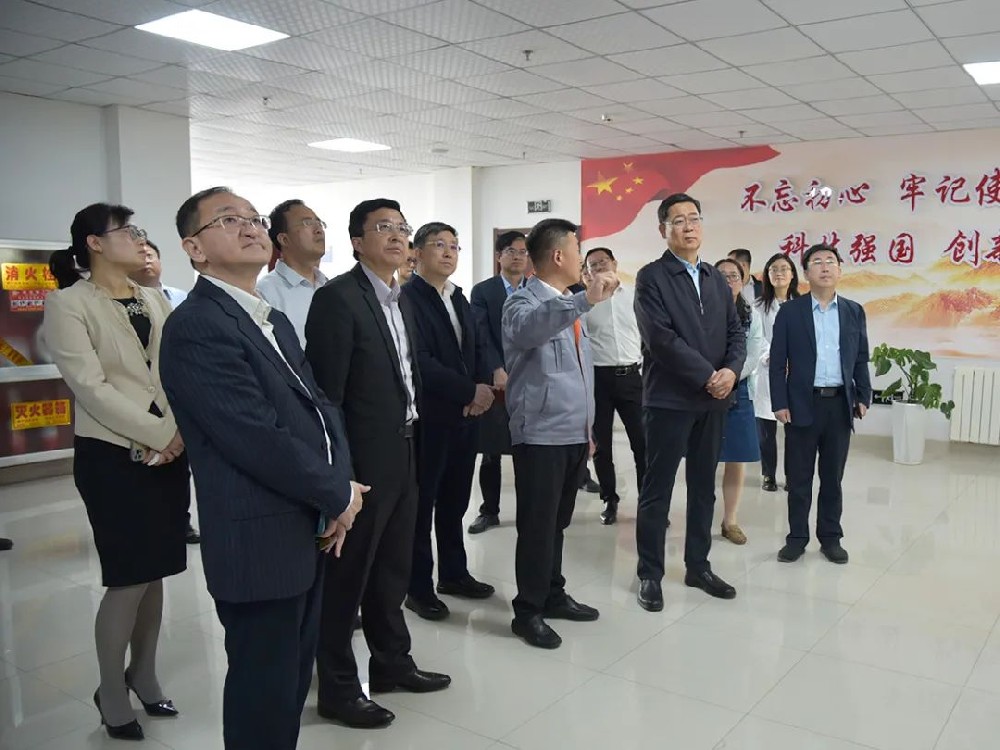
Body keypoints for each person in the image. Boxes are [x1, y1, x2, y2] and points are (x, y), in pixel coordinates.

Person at [158, 187, 363, 750]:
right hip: (259, 538)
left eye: (253, 218)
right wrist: (337, 493)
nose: (251, 227)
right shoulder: (198, 324)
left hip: (304, 524)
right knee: (264, 690)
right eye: (229, 220)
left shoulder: (267, 319)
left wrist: (340, 488)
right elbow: (255, 438)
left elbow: (321, 408)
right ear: (194, 248)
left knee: (291, 681)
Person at [43, 203, 189, 741]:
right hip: (112, 457)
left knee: (155, 574)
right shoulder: (68, 303)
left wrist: (175, 434)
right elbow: (91, 387)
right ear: (95, 243)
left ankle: (143, 674)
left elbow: (175, 370)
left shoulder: (153, 298)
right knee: (128, 578)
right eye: (127, 231)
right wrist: (160, 434)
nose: (139, 239)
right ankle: (110, 689)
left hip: (169, 450)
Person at [306, 199, 450, 730]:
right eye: (382, 228)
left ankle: (392, 663)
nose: (396, 236)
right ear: (356, 242)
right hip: (363, 462)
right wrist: (340, 473)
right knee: (347, 576)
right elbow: (327, 397)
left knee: (393, 567)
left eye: (401, 227)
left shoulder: (400, 297)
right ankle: (338, 687)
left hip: (405, 448)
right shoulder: (338, 299)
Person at [503, 218, 618, 649]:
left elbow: (581, 373)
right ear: (558, 256)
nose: (581, 259)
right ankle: (527, 611)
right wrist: (584, 299)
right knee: (537, 526)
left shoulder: (570, 303)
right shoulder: (522, 302)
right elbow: (531, 330)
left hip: (572, 433)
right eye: (577, 250)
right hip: (540, 435)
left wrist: (588, 430)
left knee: (557, 523)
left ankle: (552, 593)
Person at [634, 193, 746, 613]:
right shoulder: (652, 277)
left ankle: (698, 566)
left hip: (713, 403)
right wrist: (707, 376)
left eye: (694, 218)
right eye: (678, 220)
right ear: (663, 229)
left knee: (703, 488)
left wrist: (730, 371)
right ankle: (650, 573)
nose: (688, 226)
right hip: (669, 400)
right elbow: (660, 338)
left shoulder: (716, 279)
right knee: (657, 489)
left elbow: (735, 332)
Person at [401, 222, 495, 621]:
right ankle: (418, 588)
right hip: (431, 418)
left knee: (455, 501)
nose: (448, 252)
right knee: (422, 506)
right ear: (417, 253)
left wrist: (481, 388)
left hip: (466, 417)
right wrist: (468, 391)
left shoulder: (458, 296)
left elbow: (478, 347)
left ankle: (454, 574)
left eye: (454, 246)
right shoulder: (407, 299)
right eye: (439, 245)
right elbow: (419, 360)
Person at [770, 243, 872, 565]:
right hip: (802, 404)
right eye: (817, 262)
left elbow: (861, 357)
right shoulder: (791, 312)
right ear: (806, 272)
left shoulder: (853, 311)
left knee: (832, 479)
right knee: (799, 479)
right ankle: (797, 538)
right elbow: (777, 362)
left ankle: (830, 538)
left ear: (840, 270)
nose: (825, 266)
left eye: (831, 261)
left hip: (839, 406)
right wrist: (779, 402)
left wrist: (863, 395)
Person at [129, 240, 201, 546]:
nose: (147, 260)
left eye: (151, 255)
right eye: (141, 255)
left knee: (182, 469)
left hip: (183, 397)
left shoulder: (183, 298)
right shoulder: (124, 303)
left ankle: (181, 522)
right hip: (143, 402)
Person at [467, 230, 528, 534]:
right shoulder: (484, 291)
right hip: (498, 381)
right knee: (491, 449)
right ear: (499, 256)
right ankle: (489, 511)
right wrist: (495, 367)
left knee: (527, 448)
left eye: (523, 252)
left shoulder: (536, 289)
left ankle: (529, 512)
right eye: (511, 251)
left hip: (531, 381)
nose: (518, 257)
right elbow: (480, 333)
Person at [581, 247, 646, 526]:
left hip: (632, 377)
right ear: (587, 271)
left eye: (602, 262)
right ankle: (609, 499)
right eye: (592, 265)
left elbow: (648, 334)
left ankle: (648, 501)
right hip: (599, 380)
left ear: (614, 263)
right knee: (602, 446)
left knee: (642, 443)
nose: (598, 267)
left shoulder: (634, 295)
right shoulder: (585, 302)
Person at [713, 258, 763, 545]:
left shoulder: (751, 315)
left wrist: (730, 376)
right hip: (704, 388)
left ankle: (730, 520)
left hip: (739, 390)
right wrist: (711, 378)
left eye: (734, 275)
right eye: (721, 275)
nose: (728, 280)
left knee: (736, 458)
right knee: (703, 456)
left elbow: (754, 352)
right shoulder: (700, 310)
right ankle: (699, 514)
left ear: (743, 281)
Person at [752, 253, 801, 492]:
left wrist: (795, 358)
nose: (779, 273)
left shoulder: (804, 305)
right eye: (774, 269)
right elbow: (755, 337)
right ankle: (768, 474)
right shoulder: (758, 307)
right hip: (767, 371)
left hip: (796, 373)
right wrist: (773, 356)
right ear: (767, 276)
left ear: (793, 275)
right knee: (766, 431)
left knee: (795, 431)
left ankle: (792, 475)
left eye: (784, 268)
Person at [256, 199, 328, 348]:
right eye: (307, 223)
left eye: (319, 223)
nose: (318, 230)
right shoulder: (265, 293)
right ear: (284, 239)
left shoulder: (329, 286)